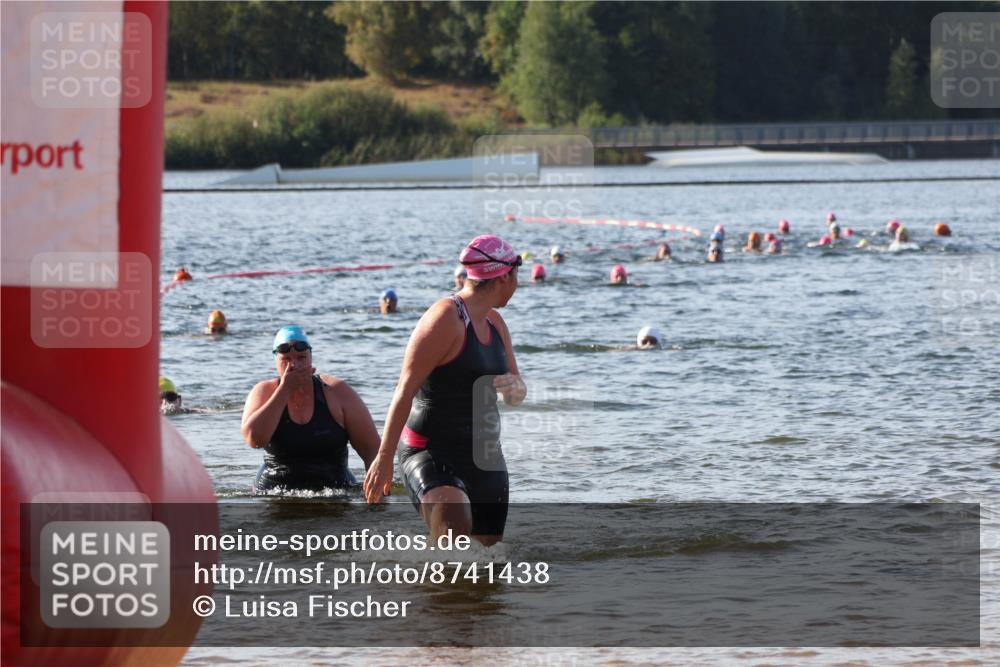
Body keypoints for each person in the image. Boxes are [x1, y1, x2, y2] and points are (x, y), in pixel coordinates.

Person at [363, 235, 526, 546]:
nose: (518, 283)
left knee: (485, 565)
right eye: (517, 275)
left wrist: (516, 388)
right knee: (454, 531)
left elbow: (515, 393)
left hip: (485, 456)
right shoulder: (444, 320)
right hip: (430, 450)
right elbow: (403, 391)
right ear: (504, 276)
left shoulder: (495, 323)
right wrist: (383, 460)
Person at [242, 326, 380, 494]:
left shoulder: (336, 391)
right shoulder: (264, 392)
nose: (294, 365)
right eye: (286, 359)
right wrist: (284, 390)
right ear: (276, 361)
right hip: (274, 492)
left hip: (336, 490)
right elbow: (254, 439)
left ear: (311, 358)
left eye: (301, 357)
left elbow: (371, 449)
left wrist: (378, 498)